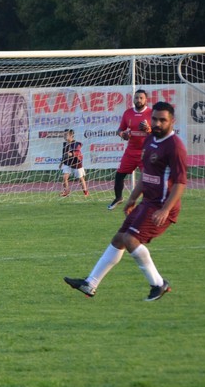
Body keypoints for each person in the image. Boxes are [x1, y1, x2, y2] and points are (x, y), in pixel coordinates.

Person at [64, 101, 187, 302]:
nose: (157, 123)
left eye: (162, 120)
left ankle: (158, 284)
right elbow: (146, 175)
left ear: (172, 121)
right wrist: (132, 199)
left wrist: (165, 209)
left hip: (162, 206)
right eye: (154, 119)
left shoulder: (175, 147)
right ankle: (90, 283)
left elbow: (181, 183)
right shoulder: (150, 140)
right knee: (119, 238)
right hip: (147, 202)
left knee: (130, 240)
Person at [108, 89, 152, 210]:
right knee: (119, 174)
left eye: (141, 98)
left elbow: (158, 132)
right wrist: (123, 134)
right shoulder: (128, 113)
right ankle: (118, 198)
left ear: (146, 100)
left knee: (148, 178)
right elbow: (120, 130)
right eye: (136, 98)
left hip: (146, 152)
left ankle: (149, 202)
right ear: (133, 99)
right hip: (131, 151)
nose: (138, 100)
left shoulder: (151, 113)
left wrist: (148, 129)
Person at [59, 129, 89, 197]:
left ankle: (85, 192)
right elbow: (64, 155)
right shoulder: (65, 144)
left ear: (71, 135)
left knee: (80, 178)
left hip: (76, 163)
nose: (64, 136)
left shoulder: (76, 144)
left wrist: (72, 154)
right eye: (64, 134)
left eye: (66, 134)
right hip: (68, 163)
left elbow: (78, 152)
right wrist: (61, 163)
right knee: (64, 177)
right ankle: (66, 192)